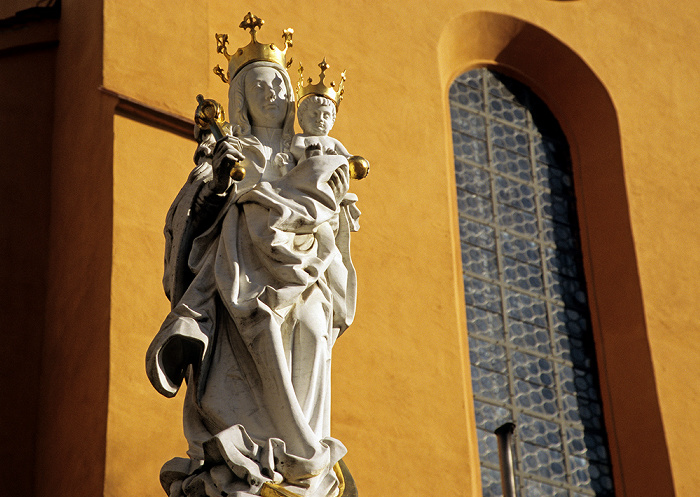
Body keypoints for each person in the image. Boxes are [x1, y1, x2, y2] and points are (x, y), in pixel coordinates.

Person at [146, 18, 360, 497]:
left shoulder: (306, 153)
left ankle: (300, 451)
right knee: (258, 332)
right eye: (260, 85)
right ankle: (265, 451)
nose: (274, 94)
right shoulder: (230, 148)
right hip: (237, 277)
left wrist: (334, 209)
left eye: (281, 85)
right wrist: (222, 183)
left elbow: (331, 208)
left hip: (305, 274)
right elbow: (189, 217)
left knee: (307, 330)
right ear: (240, 97)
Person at [290, 95, 350, 164]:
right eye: (314, 114)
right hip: (311, 168)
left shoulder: (333, 142)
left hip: (331, 169)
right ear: (301, 118)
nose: (320, 119)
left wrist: (355, 160)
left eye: (326, 116)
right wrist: (311, 151)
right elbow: (295, 149)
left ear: (332, 122)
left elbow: (346, 155)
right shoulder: (301, 137)